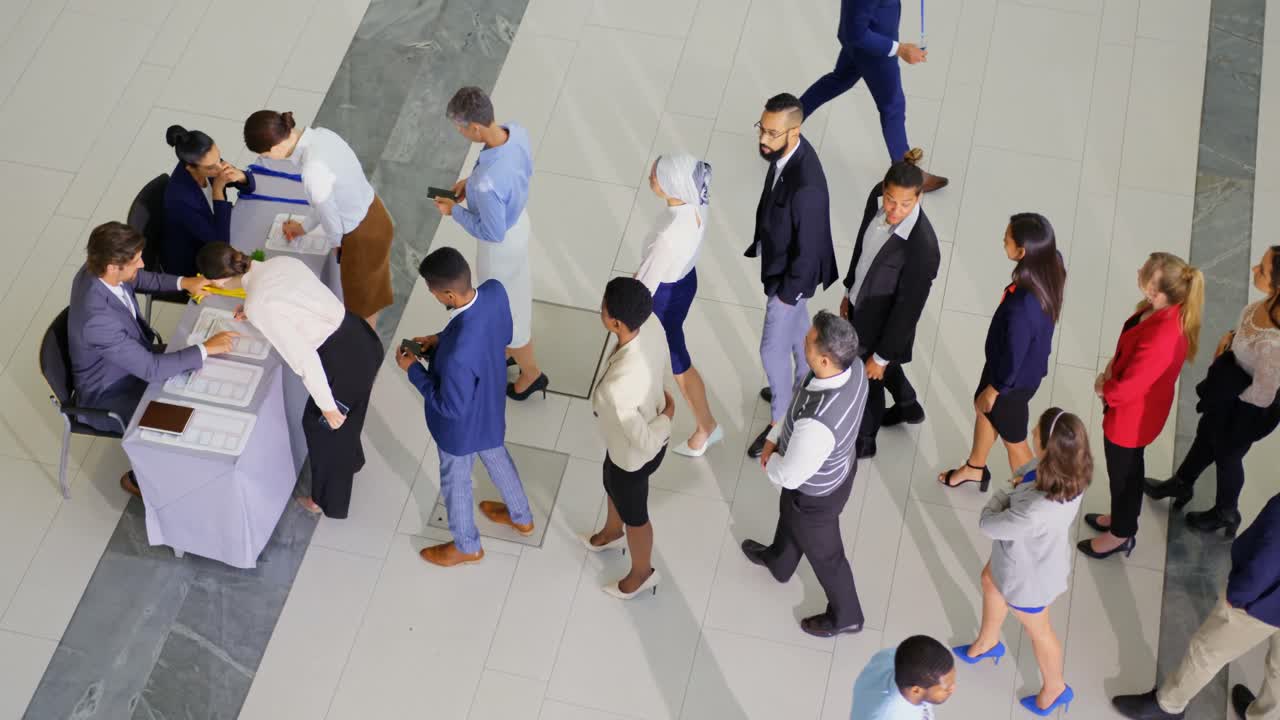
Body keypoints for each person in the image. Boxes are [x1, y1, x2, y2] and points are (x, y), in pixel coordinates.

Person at [196, 242, 382, 519]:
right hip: (360, 337)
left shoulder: (259, 303)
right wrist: (254, 308)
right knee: (350, 412)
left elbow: (303, 358)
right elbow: (295, 298)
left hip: (341, 363)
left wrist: (328, 407)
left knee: (322, 428)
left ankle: (329, 501)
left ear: (216, 281)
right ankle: (351, 460)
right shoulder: (280, 263)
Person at [69, 222, 235, 497]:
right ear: (113, 266)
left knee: (203, 376)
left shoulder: (95, 270)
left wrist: (184, 282)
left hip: (130, 357)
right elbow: (151, 369)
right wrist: (206, 348)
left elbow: (139, 279)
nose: (142, 264)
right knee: (182, 420)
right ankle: (143, 479)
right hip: (111, 390)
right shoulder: (97, 321)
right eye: (135, 261)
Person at [396, 247, 536, 567]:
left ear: (447, 293)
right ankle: (522, 518)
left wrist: (413, 370)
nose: (433, 297)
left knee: (455, 482)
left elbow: (449, 406)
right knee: (498, 458)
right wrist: (438, 339)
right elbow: (496, 333)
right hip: (490, 407)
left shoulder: (458, 356)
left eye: (433, 293)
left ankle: (466, 545)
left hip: (460, 431)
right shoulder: (494, 292)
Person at [953, 408, 1091, 716]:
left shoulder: (1036, 509)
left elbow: (988, 523)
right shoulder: (1072, 471)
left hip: (1027, 578)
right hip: (1027, 557)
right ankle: (988, 642)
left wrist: (1007, 490)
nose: (1031, 434)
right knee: (990, 580)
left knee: (1038, 630)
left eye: (1037, 433)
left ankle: (1055, 688)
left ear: (1049, 448)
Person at [741, 310, 869, 637]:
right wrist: (774, 434)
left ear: (825, 359)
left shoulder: (818, 425)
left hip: (817, 496)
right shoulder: (852, 366)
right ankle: (780, 562)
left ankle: (848, 616)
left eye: (809, 341)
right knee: (789, 511)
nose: (803, 341)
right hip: (839, 466)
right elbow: (799, 403)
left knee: (828, 556)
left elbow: (790, 477)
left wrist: (769, 457)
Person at [1144, 246, 1280, 537]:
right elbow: (1247, 335)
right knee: (1206, 435)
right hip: (1231, 390)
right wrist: (1231, 341)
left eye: (1263, 270)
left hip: (1247, 408)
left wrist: (1228, 389)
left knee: (1228, 455)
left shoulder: (1276, 346)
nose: (1254, 269)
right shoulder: (1269, 304)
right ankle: (1182, 482)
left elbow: (1263, 395)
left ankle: (1226, 511)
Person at [1111, 491, 1280, 720]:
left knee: (1206, 651)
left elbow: (1269, 558)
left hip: (1265, 599)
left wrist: (1238, 596)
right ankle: (1265, 716)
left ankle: (1168, 706)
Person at [1079, 252, 1204, 559]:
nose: (1139, 270)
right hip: (1137, 414)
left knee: (1124, 476)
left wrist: (1102, 387)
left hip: (1130, 420)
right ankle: (1123, 520)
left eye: (1146, 272)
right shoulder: (1161, 310)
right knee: (1129, 471)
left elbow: (1129, 388)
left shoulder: (1163, 335)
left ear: (1155, 291)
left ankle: (1121, 534)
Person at [436, 86, 547, 401]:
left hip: (500, 247)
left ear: (475, 127)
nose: (459, 132)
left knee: (510, 314)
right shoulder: (516, 132)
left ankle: (531, 372)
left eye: (460, 127)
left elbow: (491, 231)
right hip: (519, 221)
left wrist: (454, 210)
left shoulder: (487, 184)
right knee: (511, 299)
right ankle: (504, 349)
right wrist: (469, 186)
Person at [939, 214, 1065, 492]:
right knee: (982, 408)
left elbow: (1014, 356)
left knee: (1015, 442)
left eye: (1007, 238)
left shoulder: (1023, 306)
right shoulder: (1051, 265)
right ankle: (975, 467)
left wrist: (995, 389)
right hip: (1015, 369)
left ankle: (1037, 497)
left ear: (1022, 252)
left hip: (1011, 383)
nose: (1003, 240)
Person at [746, 93, 839, 459]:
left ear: (794, 131)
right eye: (762, 130)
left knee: (771, 349)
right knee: (800, 334)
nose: (763, 140)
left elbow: (810, 247)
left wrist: (787, 295)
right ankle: (804, 385)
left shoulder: (807, 186)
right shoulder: (787, 152)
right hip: (783, 272)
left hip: (791, 281)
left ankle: (780, 420)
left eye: (772, 133)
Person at [243, 110, 394, 330]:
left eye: (265, 156)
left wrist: (337, 245)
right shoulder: (323, 135)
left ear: (276, 148)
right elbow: (329, 198)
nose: (267, 160)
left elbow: (328, 213)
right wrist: (303, 227)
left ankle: (365, 347)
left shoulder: (312, 169)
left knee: (363, 305)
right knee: (371, 288)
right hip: (375, 213)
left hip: (361, 236)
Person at [839, 149, 940, 459]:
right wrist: (848, 291)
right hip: (859, 305)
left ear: (919, 198)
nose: (895, 210)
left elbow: (908, 311)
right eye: (891, 201)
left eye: (905, 204)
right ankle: (908, 404)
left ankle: (865, 441)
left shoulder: (922, 249)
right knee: (877, 371)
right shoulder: (876, 198)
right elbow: (863, 248)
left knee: (868, 382)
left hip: (884, 326)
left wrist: (881, 357)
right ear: (884, 189)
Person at [582, 277, 674, 599]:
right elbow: (661, 368)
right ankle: (611, 532)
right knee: (610, 480)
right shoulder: (652, 325)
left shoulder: (617, 389)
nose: (601, 307)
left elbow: (647, 444)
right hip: (622, 445)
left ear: (616, 322)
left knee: (636, 516)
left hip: (636, 456)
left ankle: (642, 573)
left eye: (604, 305)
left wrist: (667, 416)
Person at [799, 0, 948, 193]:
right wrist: (900, 49)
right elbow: (857, 33)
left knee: (838, 80)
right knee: (893, 106)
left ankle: (784, 119)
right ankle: (906, 175)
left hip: (861, 41)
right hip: (873, 49)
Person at [634, 153, 721, 457]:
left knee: (677, 361)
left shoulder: (667, 236)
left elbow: (642, 289)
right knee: (668, 353)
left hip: (664, 297)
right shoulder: (695, 201)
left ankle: (705, 425)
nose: (651, 175)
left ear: (672, 186)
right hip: (685, 281)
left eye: (656, 175)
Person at [161, 125, 256, 277]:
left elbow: (249, 187)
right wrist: (218, 191)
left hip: (215, 233)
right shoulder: (179, 199)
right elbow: (220, 244)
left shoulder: (210, 163)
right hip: (197, 261)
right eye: (211, 167)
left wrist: (241, 176)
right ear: (190, 168)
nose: (219, 168)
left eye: (219, 158)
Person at [851, 635, 957, 719]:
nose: (953, 688)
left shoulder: (891, 657)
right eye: (946, 688)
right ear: (916, 690)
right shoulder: (887, 715)